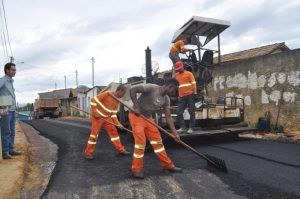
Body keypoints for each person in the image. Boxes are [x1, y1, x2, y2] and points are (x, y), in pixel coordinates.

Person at [129, 82, 182, 179]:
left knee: (158, 143)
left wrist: (175, 133)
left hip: (148, 119)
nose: (173, 94)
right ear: (170, 86)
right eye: (173, 92)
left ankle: (168, 165)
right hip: (136, 116)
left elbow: (168, 116)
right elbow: (132, 89)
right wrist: (136, 106)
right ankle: (136, 170)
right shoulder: (152, 88)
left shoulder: (166, 99)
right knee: (141, 144)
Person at [84, 84, 130, 160]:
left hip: (108, 118)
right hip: (98, 118)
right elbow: (93, 101)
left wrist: (118, 124)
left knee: (114, 133)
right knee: (94, 136)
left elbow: (113, 114)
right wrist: (95, 113)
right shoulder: (107, 94)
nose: (123, 96)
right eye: (123, 94)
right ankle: (88, 153)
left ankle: (121, 150)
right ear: (119, 91)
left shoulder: (117, 100)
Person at [0, 62, 21, 159]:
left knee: (12, 131)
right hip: (5, 109)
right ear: (7, 70)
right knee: (6, 131)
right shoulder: (3, 80)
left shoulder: (11, 82)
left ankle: (11, 150)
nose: (15, 71)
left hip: (12, 109)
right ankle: (5, 152)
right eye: (13, 69)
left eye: (15, 70)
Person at [173, 61, 197, 134]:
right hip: (181, 96)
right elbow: (172, 80)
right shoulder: (176, 75)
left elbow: (194, 84)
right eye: (177, 69)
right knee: (179, 112)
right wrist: (174, 70)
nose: (179, 70)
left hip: (190, 95)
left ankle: (191, 128)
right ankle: (183, 128)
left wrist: (195, 94)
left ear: (182, 66)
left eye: (179, 68)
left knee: (191, 111)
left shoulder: (189, 74)